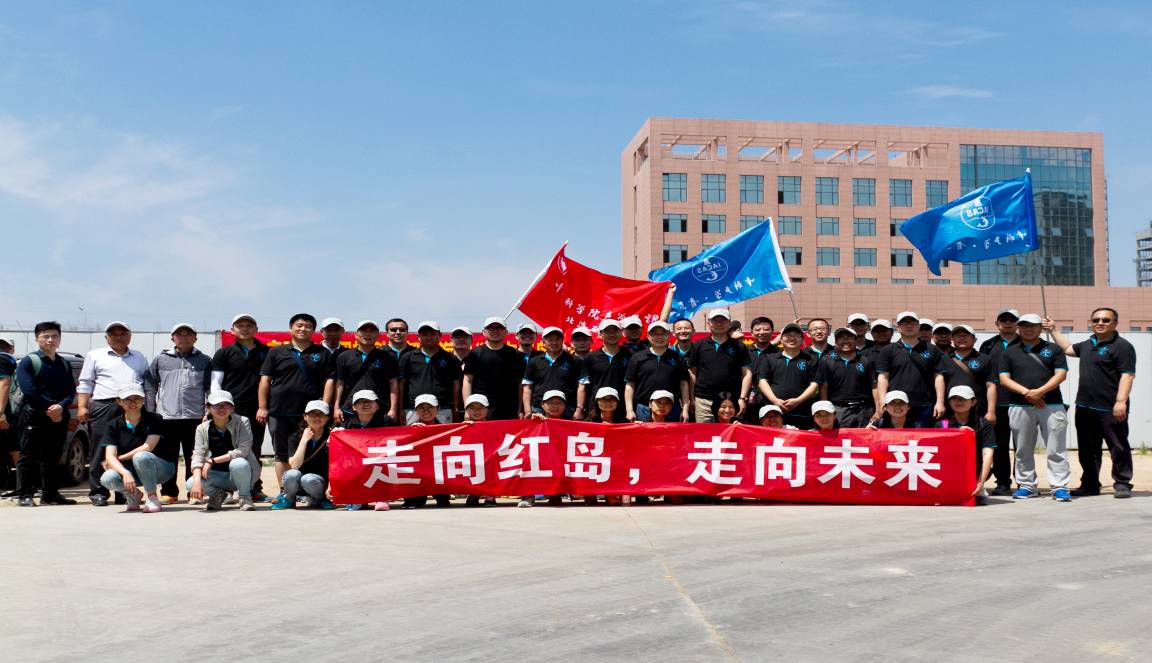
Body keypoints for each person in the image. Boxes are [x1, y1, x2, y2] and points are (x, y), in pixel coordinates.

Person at [1044, 309, 1137, 498]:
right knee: (1088, 449)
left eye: (1105, 320)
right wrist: (1053, 330)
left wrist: (1121, 401)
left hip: (1111, 408)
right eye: (1096, 320)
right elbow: (1068, 349)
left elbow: (1127, 375)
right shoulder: (1087, 344)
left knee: (1118, 446)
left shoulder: (1122, 346)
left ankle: (1122, 483)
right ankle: (1090, 484)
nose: (1100, 323)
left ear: (1115, 323)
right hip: (1085, 407)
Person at [76, 321, 153, 506]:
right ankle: (98, 492)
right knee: (100, 449)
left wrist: (148, 408)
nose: (118, 337)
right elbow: (85, 382)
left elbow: (147, 384)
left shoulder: (139, 357)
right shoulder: (95, 355)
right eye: (114, 334)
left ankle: (123, 492)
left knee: (127, 448)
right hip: (104, 405)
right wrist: (82, 406)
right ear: (106, 338)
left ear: (130, 336)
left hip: (132, 405)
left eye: (122, 333)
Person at [996, 314, 1071, 502]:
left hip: (1052, 404)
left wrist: (1040, 391)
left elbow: (1061, 375)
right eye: (1024, 326)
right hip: (1019, 405)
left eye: (1033, 326)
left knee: (1056, 448)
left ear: (1041, 328)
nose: (1028, 329)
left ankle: (1059, 486)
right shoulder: (1009, 352)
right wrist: (1027, 393)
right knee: (1022, 448)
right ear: (1018, 328)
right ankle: (1027, 485)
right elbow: (1004, 379)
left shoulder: (1053, 349)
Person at [258, 313, 334, 490]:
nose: (303, 329)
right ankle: (285, 492)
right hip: (279, 412)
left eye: (308, 326)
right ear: (291, 328)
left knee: (311, 451)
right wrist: (262, 407)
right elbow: (265, 380)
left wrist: (325, 407)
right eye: (299, 325)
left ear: (314, 331)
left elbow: (330, 381)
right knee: (281, 454)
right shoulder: (276, 352)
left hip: (311, 414)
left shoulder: (322, 353)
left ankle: (310, 490)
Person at [14, 322, 77, 506]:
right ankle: (24, 495)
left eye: (54, 336)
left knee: (53, 456)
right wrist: (51, 408)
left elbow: (70, 390)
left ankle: (50, 494)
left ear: (59, 338)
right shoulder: (29, 361)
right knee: (28, 456)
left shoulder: (63, 363)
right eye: (46, 336)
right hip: (34, 414)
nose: (50, 340)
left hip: (58, 415)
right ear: (37, 339)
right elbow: (30, 390)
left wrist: (60, 407)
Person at [149, 323, 213, 503]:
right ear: (172, 338)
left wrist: (209, 411)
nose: (184, 337)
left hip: (195, 417)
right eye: (180, 334)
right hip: (166, 417)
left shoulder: (205, 360)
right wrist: (150, 412)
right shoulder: (161, 359)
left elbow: (210, 388)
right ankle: (169, 491)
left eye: (188, 334)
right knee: (167, 456)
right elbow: (150, 385)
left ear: (195, 338)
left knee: (195, 456)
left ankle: (194, 491)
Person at [211, 313, 271, 501]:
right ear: (232, 330)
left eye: (249, 325)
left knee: (254, 447)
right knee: (229, 448)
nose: (245, 328)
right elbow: (216, 382)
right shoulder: (224, 353)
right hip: (230, 408)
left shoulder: (266, 351)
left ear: (256, 329)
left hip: (257, 409)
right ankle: (229, 488)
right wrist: (216, 406)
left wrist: (264, 406)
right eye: (240, 325)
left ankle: (254, 487)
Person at [98, 384, 172, 513]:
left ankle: (152, 497)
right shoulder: (113, 425)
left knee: (141, 456)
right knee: (107, 478)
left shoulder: (155, 419)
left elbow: (148, 447)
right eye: (127, 399)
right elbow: (109, 455)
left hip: (160, 469)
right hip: (131, 471)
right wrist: (124, 472)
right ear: (119, 402)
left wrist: (120, 458)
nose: (133, 403)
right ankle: (134, 495)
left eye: (137, 398)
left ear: (143, 400)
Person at [188, 391, 259, 511]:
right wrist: (197, 481)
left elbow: (243, 451)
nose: (222, 408)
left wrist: (211, 461)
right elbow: (197, 456)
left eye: (226, 404)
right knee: (190, 483)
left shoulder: (242, 421)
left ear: (232, 408)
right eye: (217, 405)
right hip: (217, 475)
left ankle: (245, 497)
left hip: (240, 474)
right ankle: (218, 495)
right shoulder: (202, 428)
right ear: (208, 408)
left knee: (239, 463)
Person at [874, 311, 946, 428]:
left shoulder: (932, 350)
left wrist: (940, 402)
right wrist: (882, 401)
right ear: (898, 327)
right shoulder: (888, 350)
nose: (909, 326)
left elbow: (939, 377)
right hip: (896, 404)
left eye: (912, 323)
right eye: (904, 323)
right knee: (897, 438)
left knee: (922, 438)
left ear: (918, 326)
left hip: (924, 404)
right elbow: (883, 378)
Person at [979, 308, 1021, 496]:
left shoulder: (1025, 343)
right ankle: (1003, 483)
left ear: (1017, 323)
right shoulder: (988, 345)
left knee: (1022, 446)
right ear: (997, 324)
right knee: (1000, 446)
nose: (1007, 323)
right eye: (1003, 320)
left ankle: (1024, 483)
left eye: (1011, 320)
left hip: (1021, 402)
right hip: (996, 405)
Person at [330, 320, 400, 425]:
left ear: (378, 336)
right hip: (350, 409)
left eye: (372, 331)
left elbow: (393, 383)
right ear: (356, 335)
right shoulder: (344, 356)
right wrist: (336, 407)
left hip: (379, 409)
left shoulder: (387, 357)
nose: (368, 334)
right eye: (364, 331)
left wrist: (393, 409)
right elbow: (340, 384)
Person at [271, 400, 336, 510]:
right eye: (312, 414)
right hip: (297, 483)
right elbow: (294, 465)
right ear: (305, 417)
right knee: (292, 474)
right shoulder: (295, 437)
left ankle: (320, 499)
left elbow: (337, 465)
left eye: (321, 414)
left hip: (318, 483)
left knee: (308, 479)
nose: (317, 418)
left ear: (327, 418)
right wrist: (304, 441)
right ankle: (289, 499)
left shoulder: (332, 436)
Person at [689, 309, 751, 423]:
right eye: (715, 321)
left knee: (729, 433)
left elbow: (747, 374)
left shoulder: (739, 346)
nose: (719, 324)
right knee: (705, 433)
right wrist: (691, 398)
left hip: (730, 402)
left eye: (723, 320)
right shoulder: (699, 345)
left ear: (729, 323)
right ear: (708, 323)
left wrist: (742, 398)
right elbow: (692, 373)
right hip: (704, 401)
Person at [937, 385, 995, 505]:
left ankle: (977, 488)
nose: (958, 402)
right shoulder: (942, 424)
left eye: (963, 399)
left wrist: (980, 482)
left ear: (973, 402)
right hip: (949, 470)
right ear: (949, 402)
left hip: (974, 470)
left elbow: (988, 455)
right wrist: (958, 433)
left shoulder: (984, 424)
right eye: (954, 399)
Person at [624, 321, 691, 423]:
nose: (659, 337)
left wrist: (685, 409)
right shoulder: (637, 357)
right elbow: (630, 385)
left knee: (672, 434)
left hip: (672, 408)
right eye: (655, 334)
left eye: (663, 334)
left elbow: (684, 384)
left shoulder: (677, 357)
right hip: (644, 408)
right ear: (648, 336)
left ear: (669, 335)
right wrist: (629, 410)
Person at [756, 322, 820, 429]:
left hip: (801, 411)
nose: (792, 338)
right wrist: (775, 400)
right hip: (775, 411)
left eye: (796, 336)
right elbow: (762, 381)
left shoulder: (811, 359)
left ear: (802, 340)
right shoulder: (769, 358)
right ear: (781, 339)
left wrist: (798, 401)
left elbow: (814, 384)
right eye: (788, 335)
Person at [462, 317, 525, 421]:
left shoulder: (515, 355)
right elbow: (467, 381)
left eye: (499, 328)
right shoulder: (474, 354)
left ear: (506, 332)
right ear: (483, 332)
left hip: (509, 408)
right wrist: (467, 409)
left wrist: (520, 409)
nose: (495, 331)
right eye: (491, 328)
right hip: (480, 409)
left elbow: (520, 384)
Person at [338, 390, 392, 511]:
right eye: (361, 402)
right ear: (354, 407)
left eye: (369, 401)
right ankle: (360, 498)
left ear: (377, 406)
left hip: (381, 460)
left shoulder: (386, 421)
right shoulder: (348, 424)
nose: (365, 404)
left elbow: (401, 438)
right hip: (357, 463)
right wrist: (335, 435)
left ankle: (382, 498)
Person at [399, 321, 462, 424]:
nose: (429, 337)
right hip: (413, 408)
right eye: (425, 334)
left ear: (439, 335)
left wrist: (455, 408)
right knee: (414, 434)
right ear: (418, 337)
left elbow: (456, 384)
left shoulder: (450, 358)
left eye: (433, 334)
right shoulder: (408, 357)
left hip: (443, 408)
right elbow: (401, 384)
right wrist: (400, 408)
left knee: (444, 434)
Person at [818, 327, 878, 428]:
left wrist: (878, 409)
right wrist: (825, 408)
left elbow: (874, 386)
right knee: (840, 438)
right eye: (841, 338)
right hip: (839, 410)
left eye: (850, 337)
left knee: (864, 437)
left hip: (863, 410)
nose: (846, 341)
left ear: (856, 341)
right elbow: (824, 386)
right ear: (836, 341)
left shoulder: (865, 360)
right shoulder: (827, 360)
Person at [522, 390, 570, 507]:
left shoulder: (570, 424)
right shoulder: (536, 420)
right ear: (542, 405)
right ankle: (528, 496)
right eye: (551, 403)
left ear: (564, 406)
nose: (555, 406)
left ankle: (556, 495)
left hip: (558, 460)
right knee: (528, 462)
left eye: (559, 403)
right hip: (538, 458)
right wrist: (533, 421)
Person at [523, 326, 582, 419]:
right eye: (550, 340)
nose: (554, 342)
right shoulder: (534, 361)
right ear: (543, 342)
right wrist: (527, 411)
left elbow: (581, 386)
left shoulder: (575, 361)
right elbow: (527, 387)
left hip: (566, 409)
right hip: (539, 409)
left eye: (557, 339)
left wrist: (579, 409)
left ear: (562, 340)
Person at [579, 319, 632, 421]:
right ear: (600, 334)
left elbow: (631, 384)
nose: (611, 334)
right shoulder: (590, 357)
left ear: (621, 332)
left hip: (622, 409)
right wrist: (579, 409)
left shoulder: (630, 356)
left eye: (615, 331)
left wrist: (630, 409)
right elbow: (583, 386)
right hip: (596, 409)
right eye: (607, 331)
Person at [942, 325, 996, 422]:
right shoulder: (944, 359)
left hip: (978, 411)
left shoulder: (985, 359)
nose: (962, 338)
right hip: (950, 412)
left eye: (965, 335)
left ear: (974, 339)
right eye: (958, 336)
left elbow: (991, 386)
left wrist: (991, 411)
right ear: (952, 339)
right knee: (949, 432)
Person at [407, 394, 452, 508]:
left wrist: (468, 426)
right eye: (422, 408)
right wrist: (412, 431)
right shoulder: (409, 429)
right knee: (415, 501)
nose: (426, 411)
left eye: (430, 407)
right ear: (416, 411)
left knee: (443, 500)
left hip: (438, 471)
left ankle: (441, 496)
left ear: (438, 409)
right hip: (418, 472)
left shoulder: (447, 429)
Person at [461, 394, 497, 507]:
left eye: (481, 407)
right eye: (473, 408)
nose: (477, 411)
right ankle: (474, 493)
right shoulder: (462, 426)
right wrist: (462, 429)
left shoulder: (495, 425)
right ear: (467, 410)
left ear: (487, 409)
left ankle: (490, 496)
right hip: (473, 459)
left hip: (490, 457)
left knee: (490, 471)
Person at [0, 339, 17, 490]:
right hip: (13, 410)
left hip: (6, 411)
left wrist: (1, 412)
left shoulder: (2, 360)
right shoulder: (13, 361)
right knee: (13, 446)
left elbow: (4, 384)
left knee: (14, 446)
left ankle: (24, 486)